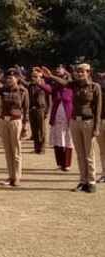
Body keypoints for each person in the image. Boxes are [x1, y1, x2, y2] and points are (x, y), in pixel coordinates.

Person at [44, 64, 101, 193]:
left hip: (88, 122)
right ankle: (83, 181)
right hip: (75, 121)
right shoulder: (74, 84)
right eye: (78, 71)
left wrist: (96, 127)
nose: (79, 73)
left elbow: (97, 109)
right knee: (80, 154)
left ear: (88, 72)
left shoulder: (94, 87)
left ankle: (91, 181)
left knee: (89, 154)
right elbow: (63, 82)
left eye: (82, 71)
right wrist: (51, 76)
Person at [0, 69, 30, 187]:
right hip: (4, 121)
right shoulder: (3, 89)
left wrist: (25, 125)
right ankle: (10, 176)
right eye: (7, 78)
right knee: (8, 150)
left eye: (11, 78)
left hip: (15, 120)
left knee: (16, 150)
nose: (9, 79)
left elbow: (26, 109)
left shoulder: (22, 91)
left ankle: (17, 177)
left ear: (17, 78)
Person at [26, 68, 52, 154]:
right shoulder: (30, 86)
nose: (34, 78)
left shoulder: (45, 85)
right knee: (34, 130)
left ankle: (42, 148)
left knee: (42, 130)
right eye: (32, 76)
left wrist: (47, 111)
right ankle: (36, 148)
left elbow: (48, 99)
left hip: (40, 109)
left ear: (40, 76)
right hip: (31, 109)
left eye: (36, 76)